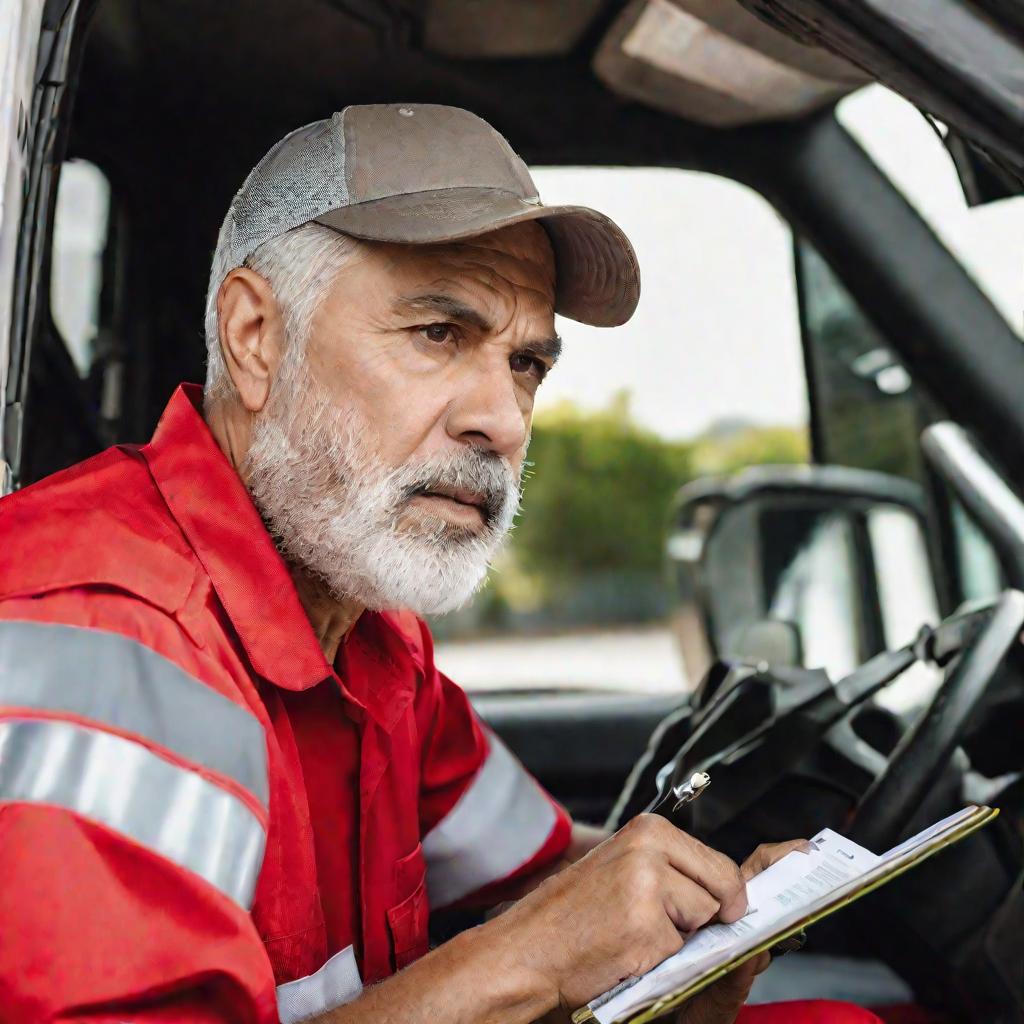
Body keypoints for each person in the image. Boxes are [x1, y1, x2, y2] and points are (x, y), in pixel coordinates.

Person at [0, 104, 882, 1024]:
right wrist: (533, 958)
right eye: (438, 334)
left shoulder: (372, 637)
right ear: (256, 337)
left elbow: (551, 884)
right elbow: (544, 932)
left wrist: (712, 920)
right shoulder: (99, 641)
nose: (501, 419)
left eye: (528, 364)